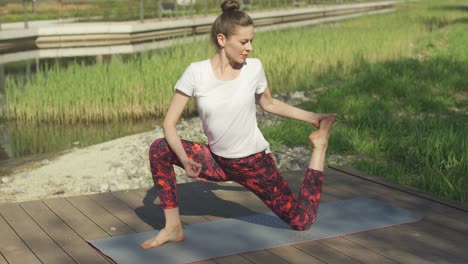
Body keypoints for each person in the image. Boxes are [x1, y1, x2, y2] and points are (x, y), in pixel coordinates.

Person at [140, 0, 336, 250]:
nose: (250, 47)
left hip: (254, 164)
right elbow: (169, 124)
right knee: (159, 148)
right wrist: (184, 159)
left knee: (302, 221)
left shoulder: (253, 68)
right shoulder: (196, 72)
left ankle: (320, 146)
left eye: (251, 40)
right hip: (217, 161)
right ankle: (173, 227)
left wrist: (314, 118)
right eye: (244, 42)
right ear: (222, 40)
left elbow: (270, 104)